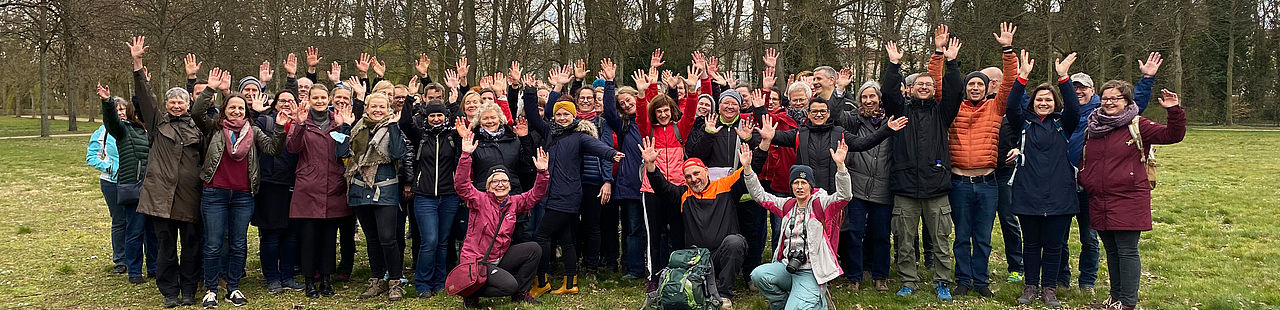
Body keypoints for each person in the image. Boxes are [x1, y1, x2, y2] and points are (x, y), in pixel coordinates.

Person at [1057, 53, 1160, 294]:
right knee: (1059, 237)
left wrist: (1146, 78)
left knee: (1090, 238)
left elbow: (1136, 104)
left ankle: (1087, 282)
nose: (1079, 92)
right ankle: (1061, 280)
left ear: (1093, 91)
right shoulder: (1064, 113)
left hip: (1093, 187)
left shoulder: (1104, 113)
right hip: (1063, 183)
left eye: (1083, 88)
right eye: (1074, 89)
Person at [1078, 82, 1185, 310]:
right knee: (1112, 251)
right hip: (1099, 199)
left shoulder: (1137, 125)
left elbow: (1173, 135)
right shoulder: (1094, 127)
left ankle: (1127, 302)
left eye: (1115, 98)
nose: (1109, 102)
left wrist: (1173, 110)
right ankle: (1114, 298)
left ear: (1126, 101)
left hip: (1128, 197)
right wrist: (1085, 178)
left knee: (1126, 251)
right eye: (1106, 98)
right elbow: (1088, 158)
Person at [190, 68, 288, 307]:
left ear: (246, 112)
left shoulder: (253, 131)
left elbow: (273, 149)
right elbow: (196, 112)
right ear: (225, 110)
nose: (236, 111)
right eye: (232, 107)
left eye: (241, 108)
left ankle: (233, 287)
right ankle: (211, 288)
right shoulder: (214, 128)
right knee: (213, 243)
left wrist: (280, 128)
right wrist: (211, 88)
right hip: (215, 193)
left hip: (243, 195)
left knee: (238, 243)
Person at [524, 67, 625, 296]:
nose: (561, 118)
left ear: (573, 116)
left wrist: (611, 155)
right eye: (558, 114)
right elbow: (532, 115)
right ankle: (570, 283)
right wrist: (530, 91)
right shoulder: (550, 131)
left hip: (566, 195)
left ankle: (542, 281)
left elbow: (598, 146)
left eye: (566, 115)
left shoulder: (580, 135)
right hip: (551, 193)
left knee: (541, 236)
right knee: (567, 238)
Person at [123, 36, 207, 308]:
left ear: (187, 104)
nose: (176, 105)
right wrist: (137, 63)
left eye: (181, 101)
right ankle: (170, 291)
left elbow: (203, 107)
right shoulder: (157, 123)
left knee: (191, 248)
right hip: (160, 199)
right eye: (172, 102)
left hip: (189, 198)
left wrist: (192, 80)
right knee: (166, 249)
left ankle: (188, 290)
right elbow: (146, 97)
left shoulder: (197, 125)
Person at [938, 23, 1018, 298]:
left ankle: (981, 281)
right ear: (965, 87)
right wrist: (942, 55)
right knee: (961, 236)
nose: (974, 88)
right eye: (970, 84)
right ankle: (962, 279)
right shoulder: (953, 109)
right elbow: (938, 84)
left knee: (982, 237)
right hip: (959, 182)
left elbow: (1010, 80)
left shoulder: (995, 108)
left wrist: (1007, 49)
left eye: (979, 84)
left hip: (987, 183)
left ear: (987, 88)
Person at [881, 35, 963, 300]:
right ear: (911, 88)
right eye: (919, 84)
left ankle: (942, 282)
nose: (924, 87)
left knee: (940, 239)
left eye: (929, 84)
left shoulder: (942, 113)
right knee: (904, 240)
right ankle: (908, 281)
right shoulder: (900, 111)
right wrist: (893, 66)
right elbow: (888, 92)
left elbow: (955, 92)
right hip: (905, 187)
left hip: (936, 186)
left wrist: (951, 65)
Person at [1005, 51, 1082, 308]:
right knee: (1031, 243)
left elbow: (1073, 107)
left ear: (1054, 102)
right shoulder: (1023, 123)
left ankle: (1049, 288)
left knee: (1053, 246)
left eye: (1048, 100)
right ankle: (1030, 286)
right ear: (1033, 102)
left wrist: (1064, 78)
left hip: (1060, 194)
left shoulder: (1063, 123)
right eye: (1039, 99)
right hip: (1028, 192)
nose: (1044, 103)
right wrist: (1022, 77)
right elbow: (1010, 105)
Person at [642, 132, 753, 307]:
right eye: (688, 177)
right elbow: (662, 187)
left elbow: (748, 175)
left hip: (721, 254)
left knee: (736, 242)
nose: (693, 179)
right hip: (696, 259)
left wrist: (755, 156)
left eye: (696, 173)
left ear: (706, 171)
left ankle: (724, 294)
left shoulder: (725, 186)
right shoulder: (683, 194)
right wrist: (651, 165)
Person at [744, 138, 851, 310]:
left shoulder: (820, 205)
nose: (799, 187)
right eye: (795, 183)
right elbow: (760, 196)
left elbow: (844, 196)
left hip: (811, 271)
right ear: (791, 186)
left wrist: (841, 167)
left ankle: (818, 301)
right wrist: (748, 170)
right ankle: (780, 304)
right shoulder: (787, 205)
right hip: (788, 267)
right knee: (758, 275)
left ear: (810, 185)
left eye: (804, 183)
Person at [455, 132, 550, 308]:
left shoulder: (514, 202)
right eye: (495, 181)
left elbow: (536, 195)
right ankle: (470, 291)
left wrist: (542, 173)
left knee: (533, 249)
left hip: (500, 257)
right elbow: (462, 185)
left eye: (504, 181)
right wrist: (466, 156)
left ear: (509, 184)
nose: (500, 184)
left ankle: (520, 293)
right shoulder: (478, 199)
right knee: (509, 285)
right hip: (478, 261)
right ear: (488, 186)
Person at [336, 91, 410, 301]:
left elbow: (397, 154)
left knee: (388, 238)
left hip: (385, 189)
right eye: (373, 107)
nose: (377, 110)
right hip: (359, 188)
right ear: (366, 108)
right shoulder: (357, 127)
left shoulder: (392, 128)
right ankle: (377, 279)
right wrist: (345, 126)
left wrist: (394, 126)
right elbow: (341, 153)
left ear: (388, 109)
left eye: (382, 107)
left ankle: (395, 281)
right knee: (372, 239)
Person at [286, 82, 355, 298]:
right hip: (309, 188)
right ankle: (309, 281)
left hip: (333, 186)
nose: (319, 101)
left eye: (323, 98)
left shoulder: (338, 123)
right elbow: (292, 148)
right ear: (309, 100)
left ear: (329, 101)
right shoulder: (303, 123)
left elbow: (346, 152)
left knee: (328, 239)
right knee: (308, 239)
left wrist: (345, 128)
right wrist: (298, 124)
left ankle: (326, 279)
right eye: (315, 98)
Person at [95, 85, 159, 285]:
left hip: (153, 189)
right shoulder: (124, 132)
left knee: (153, 232)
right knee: (135, 230)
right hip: (134, 187)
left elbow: (147, 106)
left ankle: (154, 268)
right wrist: (107, 102)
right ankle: (134, 271)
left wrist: (143, 86)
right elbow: (112, 121)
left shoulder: (152, 130)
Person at [835, 81, 895, 292]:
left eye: (872, 97)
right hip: (858, 187)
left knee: (881, 235)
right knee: (854, 233)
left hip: (883, 188)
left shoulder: (891, 121)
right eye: (864, 97)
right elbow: (834, 114)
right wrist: (839, 91)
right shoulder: (853, 121)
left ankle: (880, 275)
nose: (869, 101)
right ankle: (854, 276)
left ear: (879, 99)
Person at [401, 95, 463, 297]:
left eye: (439, 115)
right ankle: (423, 283)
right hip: (425, 196)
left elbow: (462, 120)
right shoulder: (421, 136)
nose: (436, 119)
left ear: (445, 117)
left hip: (449, 196)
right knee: (430, 240)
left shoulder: (453, 137)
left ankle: (439, 281)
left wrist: (454, 102)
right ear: (426, 117)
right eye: (432, 115)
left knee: (444, 241)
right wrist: (410, 98)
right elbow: (405, 122)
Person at [251, 71, 304, 294]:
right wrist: (256, 112)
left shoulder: (303, 123)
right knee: (271, 235)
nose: (286, 104)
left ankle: (288, 275)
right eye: (282, 100)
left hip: (296, 184)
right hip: (271, 184)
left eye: (291, 101)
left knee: (291, 235)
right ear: (274, 104)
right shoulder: (265, 121)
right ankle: (272, 277)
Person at [87, 105, 126, 276]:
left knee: (139, 222)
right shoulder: (102, 132)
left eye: (123, 109)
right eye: (116, 110)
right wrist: (110, 168)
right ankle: (120, 260)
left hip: (135, 182)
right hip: (112, 183)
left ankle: (139, 258)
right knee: (119, 221)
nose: (120, 112)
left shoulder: (136, 128)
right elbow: (91, 157)